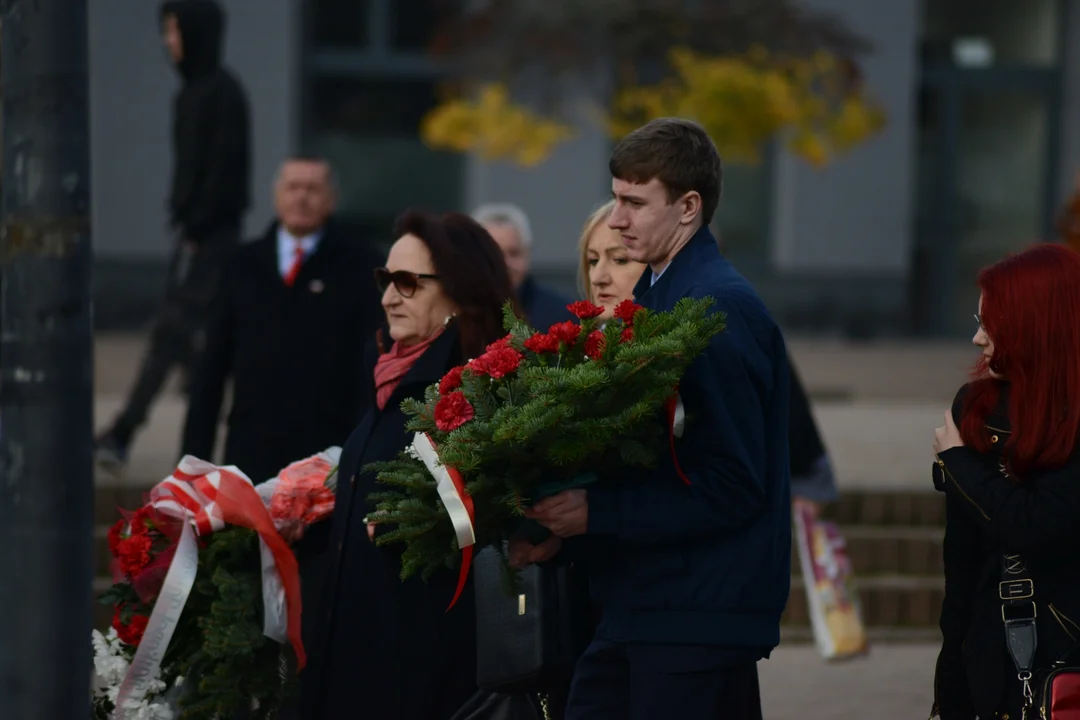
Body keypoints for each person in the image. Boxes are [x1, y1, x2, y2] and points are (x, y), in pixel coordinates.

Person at [522, 118, 791, 719]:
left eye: (634, 202)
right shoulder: (664, 296)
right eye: (616, 197)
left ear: (688, 207)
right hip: (651, 608)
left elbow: (734, 483)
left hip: (692, 620)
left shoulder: (714, 309)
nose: (617, 218)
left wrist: (598, 513)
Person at [300, 211, 519, 720]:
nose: (387, 298)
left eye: (406, 283)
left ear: (459, 291)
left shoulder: (471, 391)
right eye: (385, 280)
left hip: (418, 675)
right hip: (354, 657)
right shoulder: (391, 372)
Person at [577, 200, 837, 511]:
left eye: (619, 259)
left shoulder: (704, 344)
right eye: (592, 261)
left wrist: (807, 480)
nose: (599, 276)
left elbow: (726, 480)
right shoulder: (580, 354)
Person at [96, 0, 251, 470]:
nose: (168, 41)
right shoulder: (191, 94)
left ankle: (122, 433)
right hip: (195, 239)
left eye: (175, 30)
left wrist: (198, 226)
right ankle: (190, 445)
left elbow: (223, 176)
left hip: (213, 242)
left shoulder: (221, 94)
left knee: (173, 333)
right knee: (192, 348)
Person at [931, 244, 1080, 720]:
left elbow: (1035, 524)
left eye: (991, 321)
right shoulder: (976, 409)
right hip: (987, 663)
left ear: (1037, 327)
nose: (978, 338)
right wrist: (949, 691)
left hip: (1064, 660)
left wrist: (957, 461)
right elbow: (962, 561)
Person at [179, 156, 383, 484]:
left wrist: (362, 456)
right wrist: (191, 465)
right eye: (293, 187)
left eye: (313, 189)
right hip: (252, 452)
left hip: (328, 456)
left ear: (331, 200)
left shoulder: (361, 264)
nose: (301, 197)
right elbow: (210, 370)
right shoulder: (241, 264)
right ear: (277, 197)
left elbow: (371, 365)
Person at [473, 202, 575, 329]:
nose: (505, 264)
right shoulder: (454, 313)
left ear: (528, 253)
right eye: (494, 255)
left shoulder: (561, 318)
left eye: (514, 253)